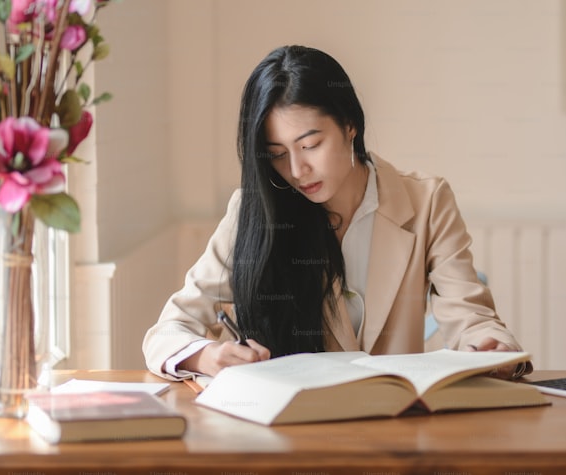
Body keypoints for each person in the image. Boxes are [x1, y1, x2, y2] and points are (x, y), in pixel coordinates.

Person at [142, 45, 531, 381]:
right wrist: (207, 356)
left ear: (349, 125)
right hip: (287, 430)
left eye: (310, 144)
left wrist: (489, 349)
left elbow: (471, 317)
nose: (296, 171)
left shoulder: (427, 202)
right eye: (277, 155)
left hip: (395, 431)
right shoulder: (254, 210)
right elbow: (168, 331)